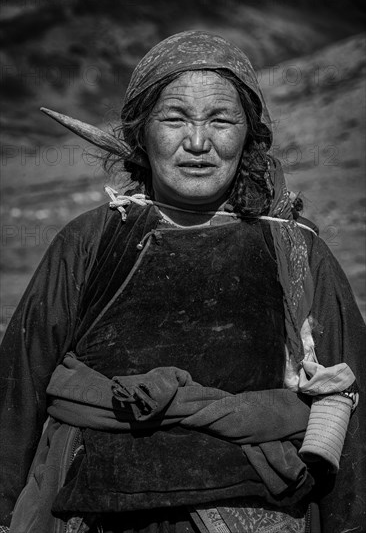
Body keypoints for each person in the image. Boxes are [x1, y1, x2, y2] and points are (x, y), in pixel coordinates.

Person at [0, 30, 365, 533]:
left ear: (249, 134)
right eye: (174, 119)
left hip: (256, 510)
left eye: (221, 119)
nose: (197, 142)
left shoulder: (295, 249)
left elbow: (350, 407)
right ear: (141, 133)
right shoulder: (89, 241)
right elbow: (17, 392)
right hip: (96, 510)